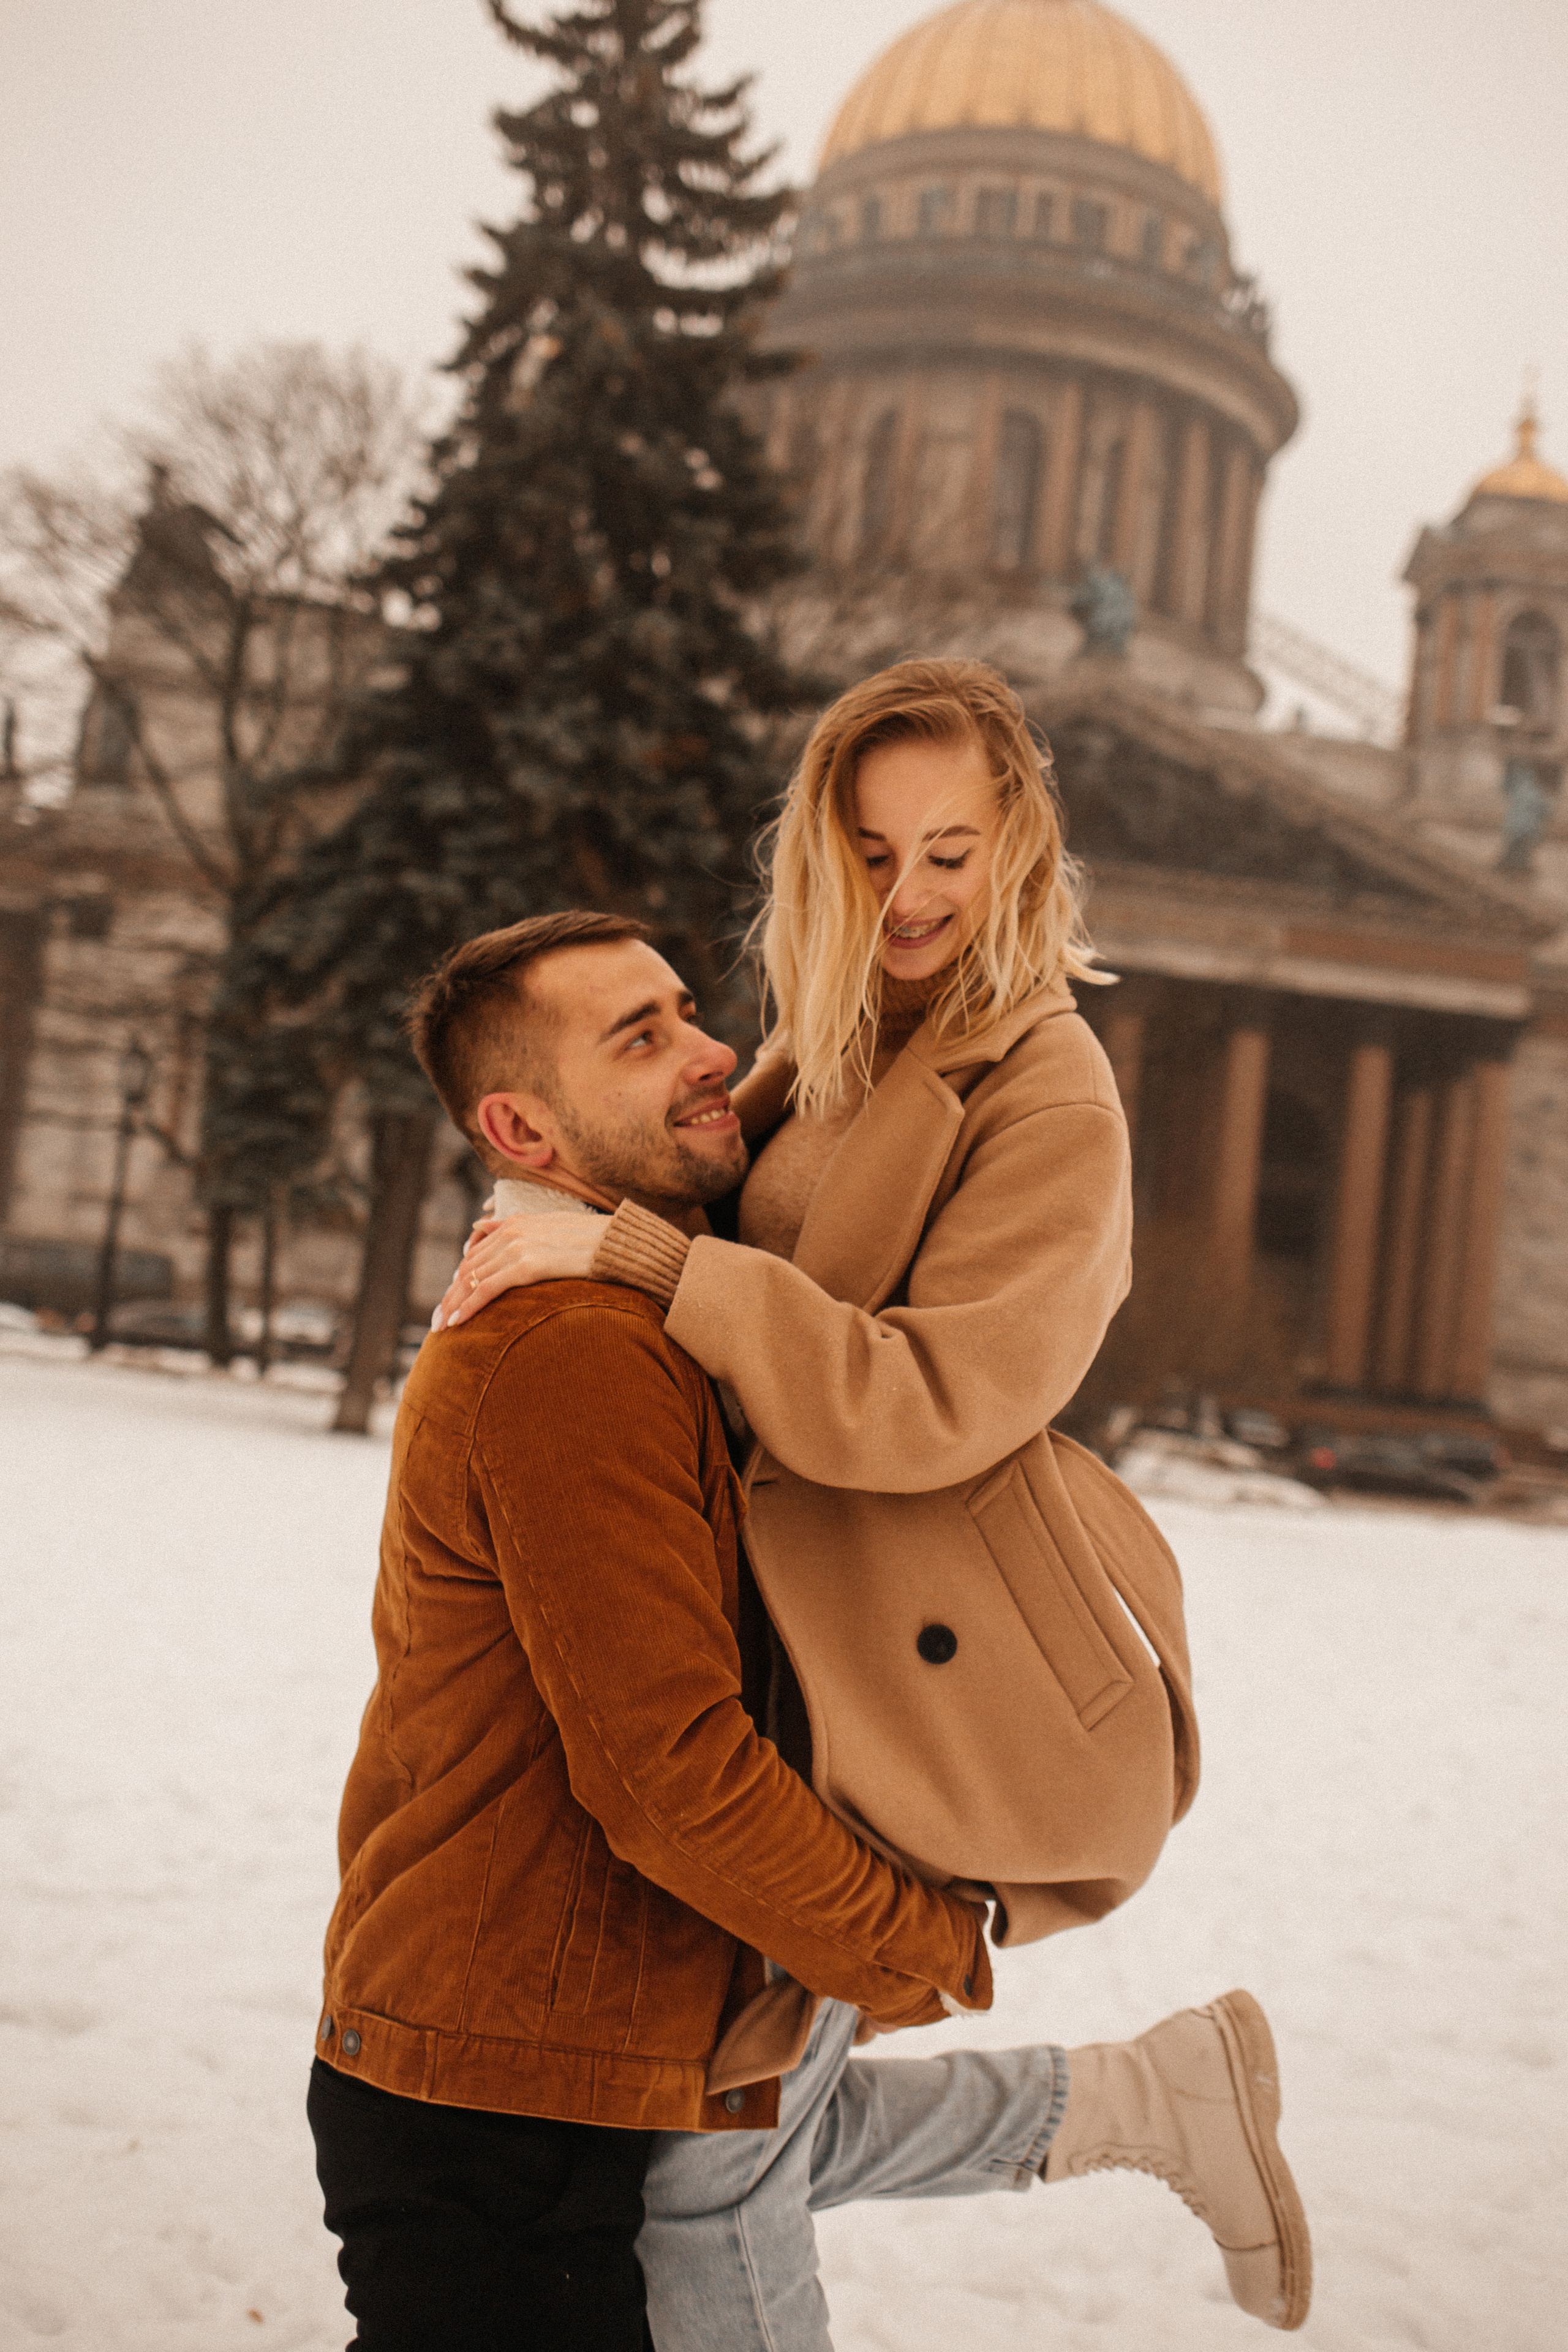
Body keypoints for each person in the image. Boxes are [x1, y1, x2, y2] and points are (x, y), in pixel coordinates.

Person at [429, 660, 1312, 2342]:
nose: (908, 897)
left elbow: (927, 1401)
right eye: (870, 850)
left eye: (952, 853)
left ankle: (1148, 2099)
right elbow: (678, 1202)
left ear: (1024, 854)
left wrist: (622, 1256)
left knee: (706, 2165)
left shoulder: (1050, 1093)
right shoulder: (828, 1048)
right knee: (712, 2129)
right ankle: (1147, 2098)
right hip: (784, 1655)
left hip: (901, 1686)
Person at [308, 909, 995, 2352]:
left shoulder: (625, 1307)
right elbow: (668, 1773)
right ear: (520, 1126)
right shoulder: (574, 1354)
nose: (712, 1053)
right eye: (642, 1039)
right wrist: (909, 1942)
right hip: (497, 2106)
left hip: (530, 2064)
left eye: (687, 1011)